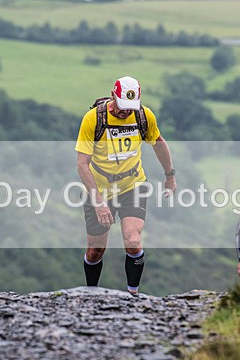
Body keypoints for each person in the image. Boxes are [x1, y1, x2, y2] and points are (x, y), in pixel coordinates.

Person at [75, 76, 176, 296]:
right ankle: (91, 295)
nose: (125, 112)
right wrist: (99, 202)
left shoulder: (143, 115)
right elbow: (82, 165)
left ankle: (133, 296)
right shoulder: (93, 119)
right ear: (113, 96)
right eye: (122, 107)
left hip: (133, 185)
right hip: (99, 189)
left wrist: (170, 175)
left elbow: (159, 144)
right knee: (95, 251)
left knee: (133, 241)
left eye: (131, 108)